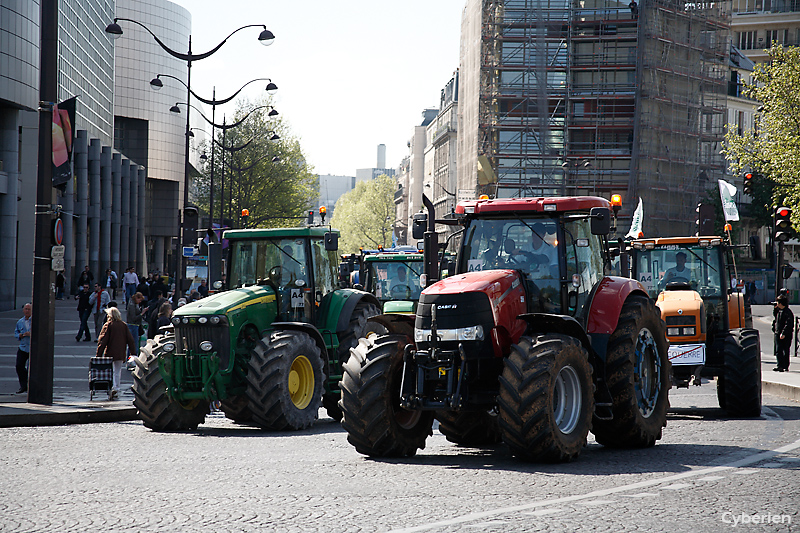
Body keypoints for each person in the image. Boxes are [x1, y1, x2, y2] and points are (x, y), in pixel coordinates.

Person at [96, 306, 137, 400]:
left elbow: (103, 341)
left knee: (110, 371)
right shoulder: (123, 325)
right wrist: (133, 353)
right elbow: (130, 340)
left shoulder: (108, 325)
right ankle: (116, 388)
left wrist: (99, 355)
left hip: (110, 352)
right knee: (117, 371)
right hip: (120, 352)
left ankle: (112, 387)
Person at [13, 303, 32, 394]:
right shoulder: (20, 322)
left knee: (30, 368)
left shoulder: (35, 321)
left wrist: (30, 334)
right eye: (25, 309)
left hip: (32, 347)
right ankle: (23, 385)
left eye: (29, 309)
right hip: (23, 347)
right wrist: (19, 336)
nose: (27, 311)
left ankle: (30, 386)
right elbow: (16, 333)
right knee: (19, 365)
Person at [773, 294, 793, 372]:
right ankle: (780, 365)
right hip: (778, 333)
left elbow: (789, 324)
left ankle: (785, 366)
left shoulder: (787, 312)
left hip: (785, 335)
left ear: (781, 303)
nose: (777, 304)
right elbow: (775, 318)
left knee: (785, 350)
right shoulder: (779, 311)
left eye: (777, 302)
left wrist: (784, 333)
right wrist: (775, 310)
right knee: (778, 350)